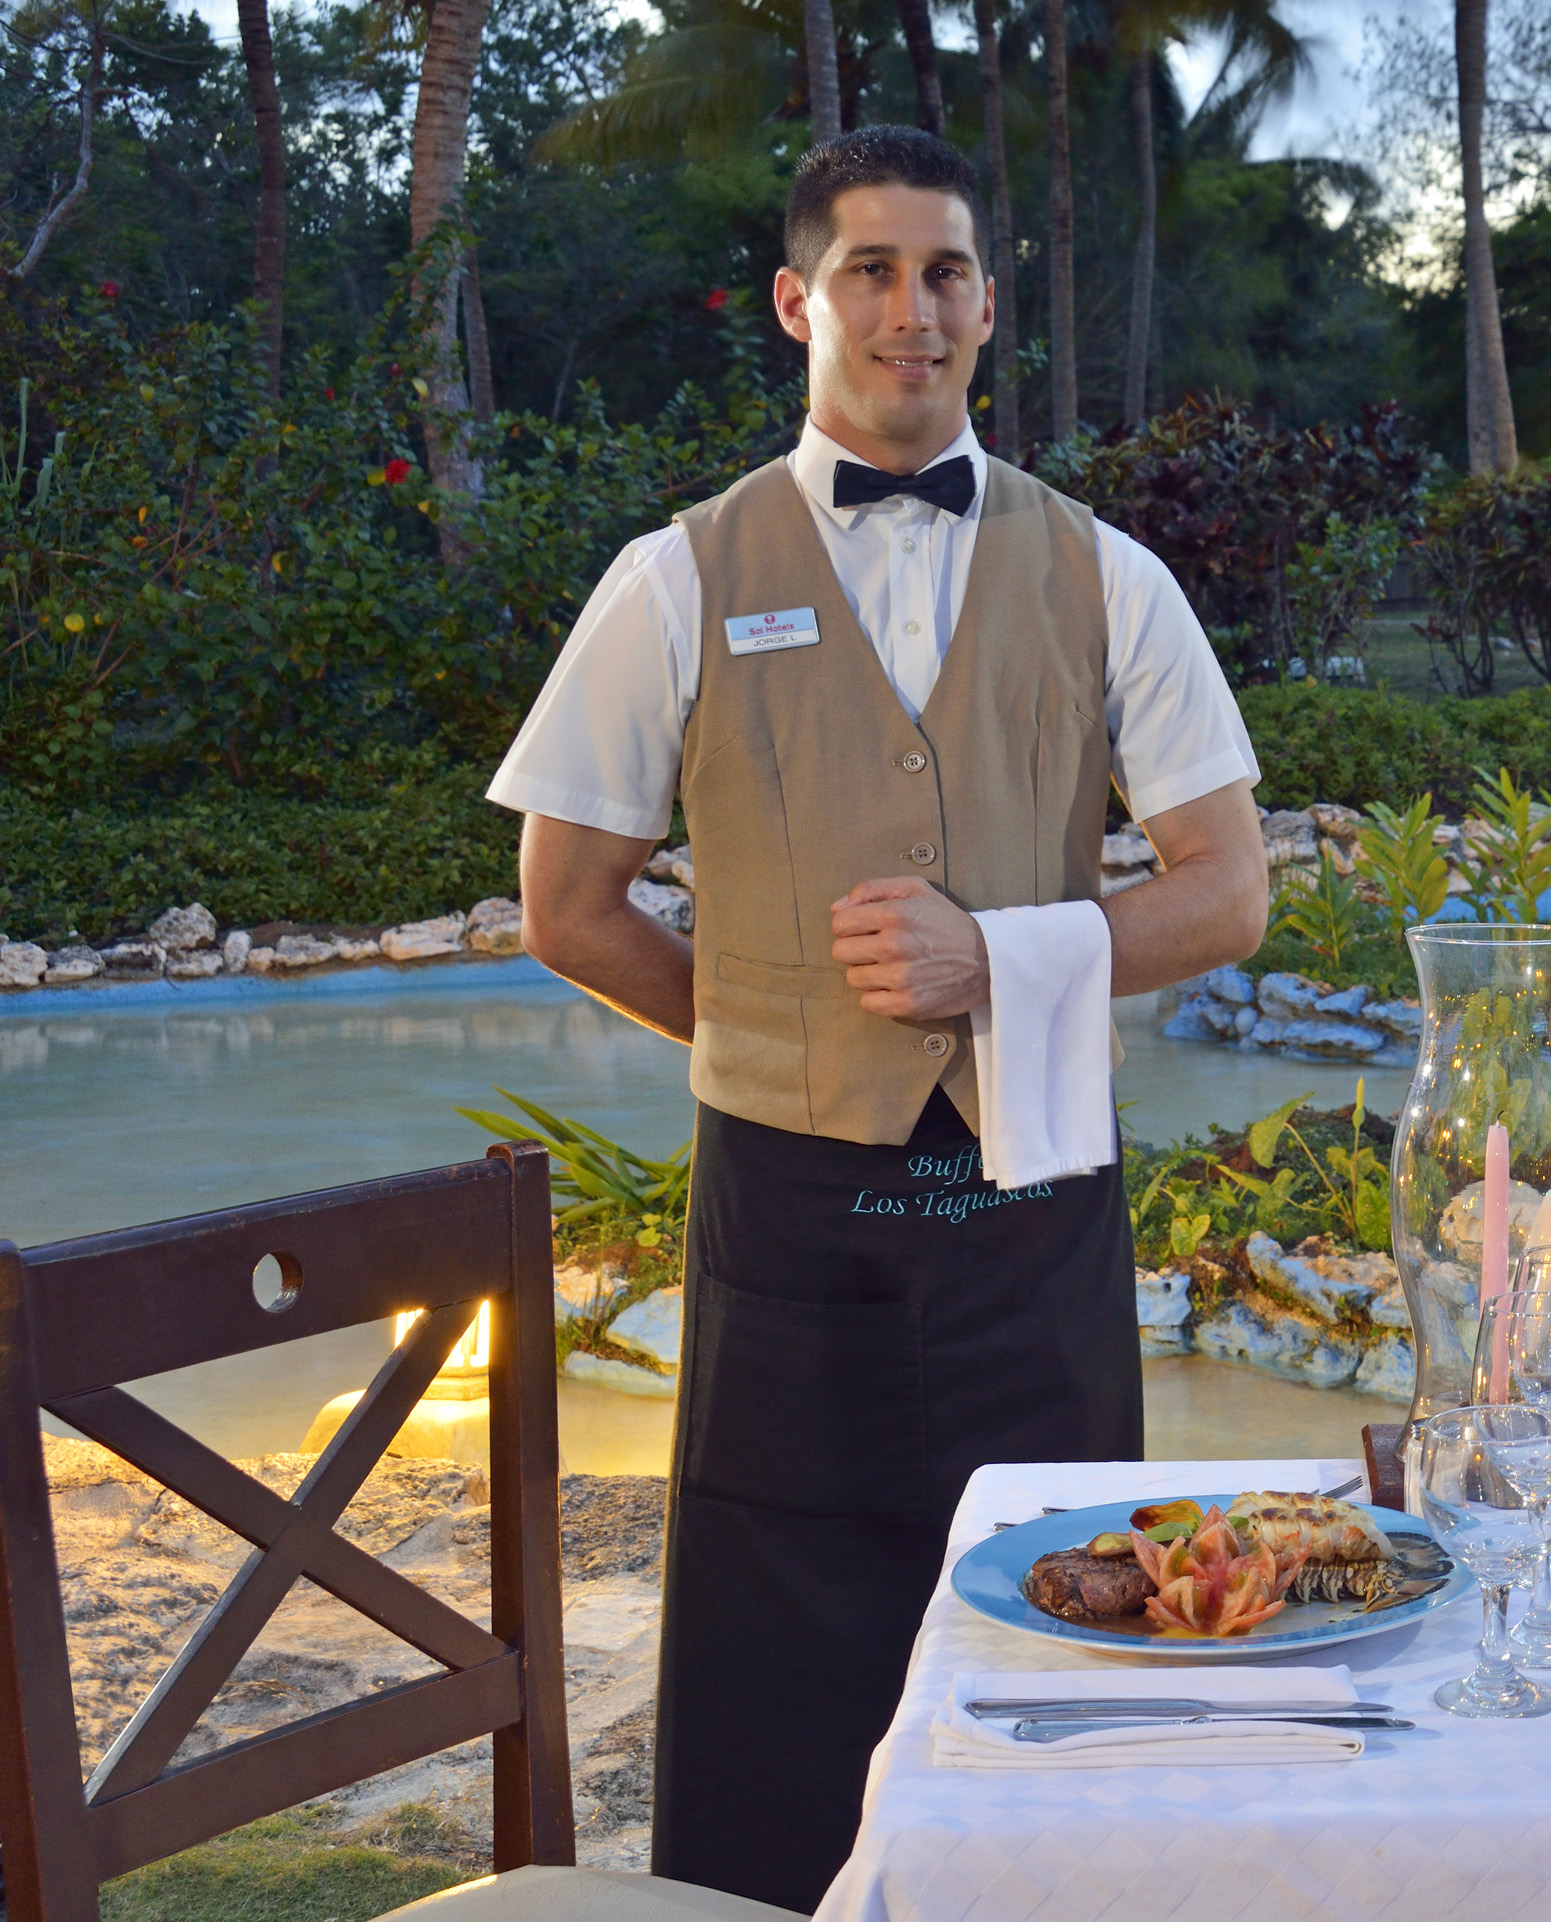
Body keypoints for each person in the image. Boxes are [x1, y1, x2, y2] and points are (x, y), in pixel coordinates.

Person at [485, 126, 1269, 1911]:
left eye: (944, 273)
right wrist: (771, 1038)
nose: (910, 309)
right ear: (796, 299)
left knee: (1067, 1626)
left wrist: (998, 962)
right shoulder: (672, 577)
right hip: (788, 1223)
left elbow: (1228, 892)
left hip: (1034, 1214)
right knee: (776, 1661)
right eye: (870, 269)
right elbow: (568, 904)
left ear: (988, 306)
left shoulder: (1107, 578)